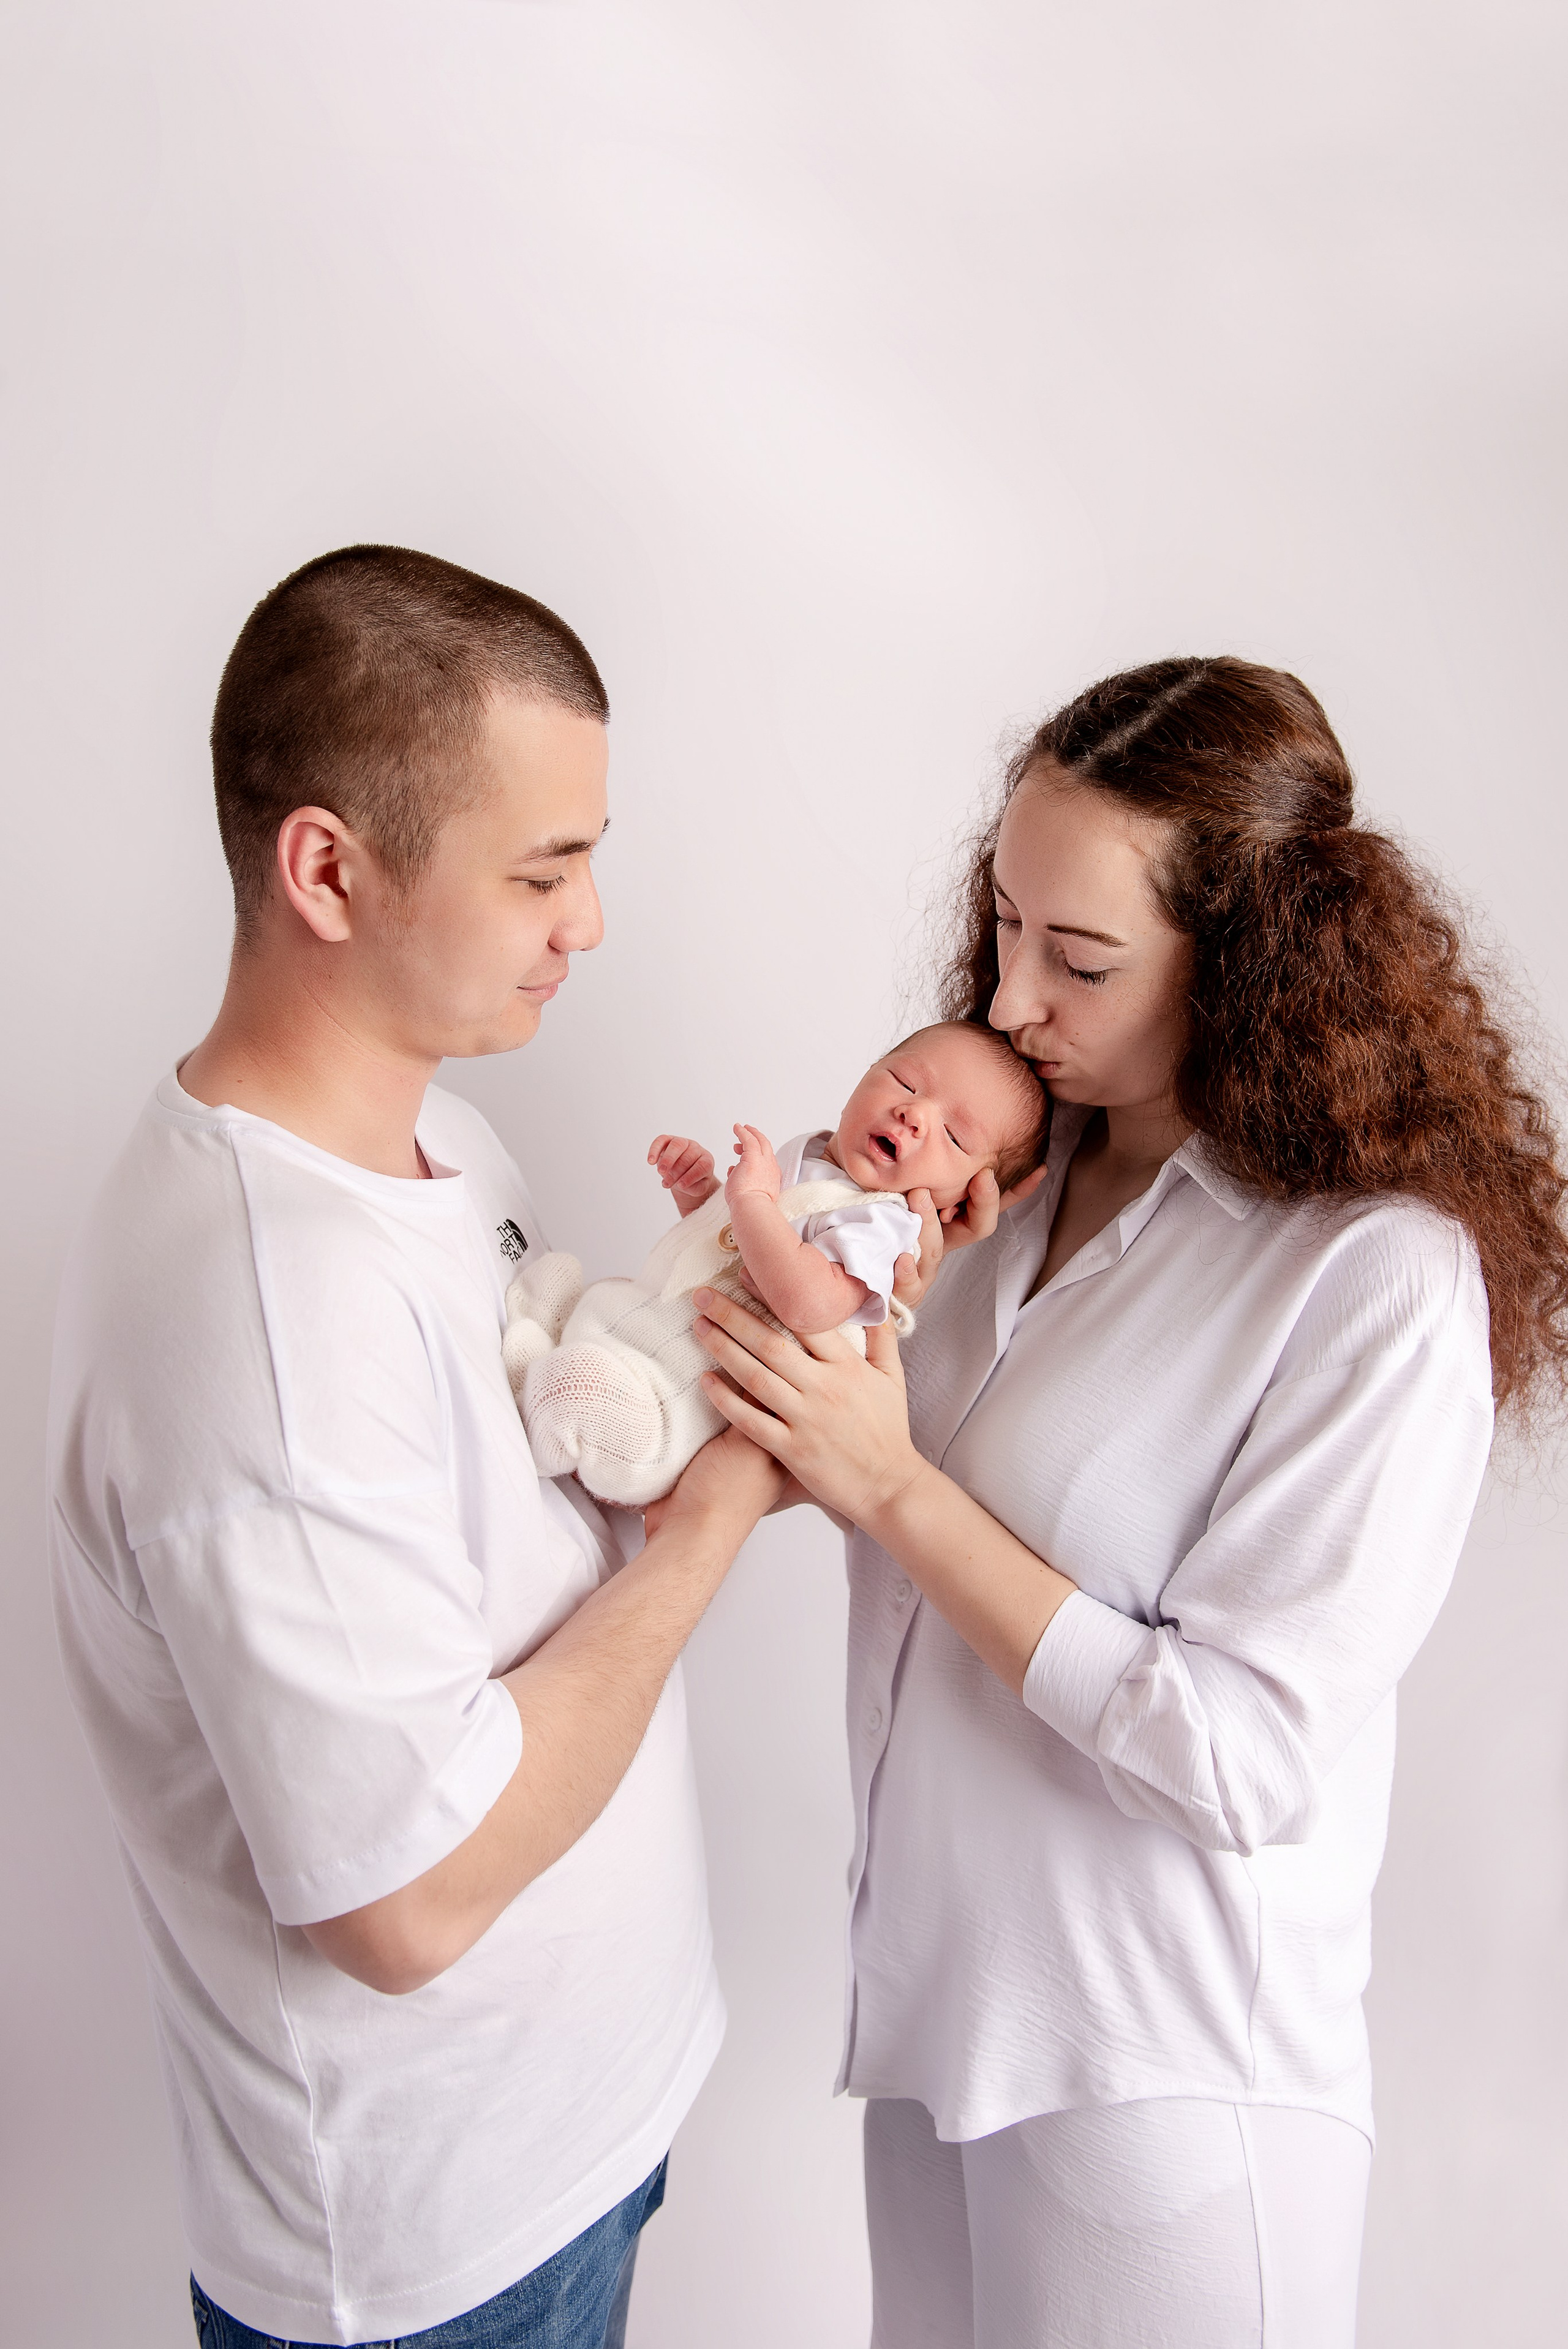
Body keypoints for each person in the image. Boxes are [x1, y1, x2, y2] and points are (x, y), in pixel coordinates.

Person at [689, 657, 1568, 2348]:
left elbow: (1242, 1752)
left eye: (1077, 958)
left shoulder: (1373, 1276)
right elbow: (865, 1458)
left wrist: (892, 1487)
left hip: (1162, 2092)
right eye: (1003, 924)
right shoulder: (999, 1203)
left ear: (1248, 964)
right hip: (939, 2037)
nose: (1010, 1001)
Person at [45, 545, 788, 2349]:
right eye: (544, 869)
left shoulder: (445, 1142)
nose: (588, 921)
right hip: (438, 2262)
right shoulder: (259, 1314)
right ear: (327, 868)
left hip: (570, 2153)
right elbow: (409, 1891)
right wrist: (719, 1514)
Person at [507, 1022, 1048, 1507]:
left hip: (674, 1402)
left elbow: (806, 1301)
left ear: (956, 1202)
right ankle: (545, 1370)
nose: (914, 1114)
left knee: (578, 1387)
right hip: (642, 1323)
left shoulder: (885, 1227)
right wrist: (706, 1194)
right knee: (561, 1279)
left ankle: (538, 1421)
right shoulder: (810, 1156)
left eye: (954, 1136)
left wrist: (752, 1203)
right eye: (905, 1082)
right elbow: (733, 1248)